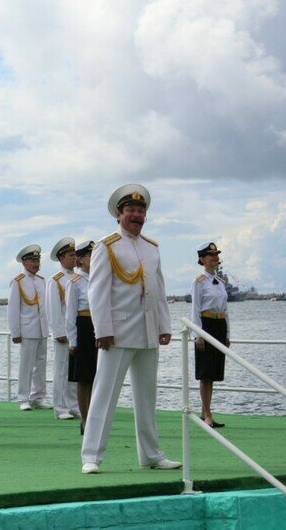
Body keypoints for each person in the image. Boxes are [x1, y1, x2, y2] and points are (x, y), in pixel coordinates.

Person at [81, 183, 181, 474]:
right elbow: (97, 292)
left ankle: (151, 454)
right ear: (119, 214)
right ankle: (91, 456)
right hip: (118, 333)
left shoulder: (151, 248)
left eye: (141, 211)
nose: (136, 215)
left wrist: (164, 325)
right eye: (130, 210)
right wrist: (102, 330)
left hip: (148, 330)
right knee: (105, 394)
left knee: (147, 396)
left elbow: (158, 290)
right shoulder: (107, 246)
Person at [191, 242, 230, 428]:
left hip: (219, 325)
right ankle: (207, 413)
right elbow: (195, 309)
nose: (215, 257)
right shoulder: (198, 282)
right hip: (205, 326)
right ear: (202, 259)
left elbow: (226, 310)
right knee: (205, 373)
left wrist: (228, 333)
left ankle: (206, 411)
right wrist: (197, 334)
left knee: (213, 372)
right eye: (210, 254)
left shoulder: (221, 283)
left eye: (216, 254)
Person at [7, 244, 50, 411]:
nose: (36, 264)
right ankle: (23, 397)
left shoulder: (41, 281)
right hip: (27, 330)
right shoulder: (18, 281)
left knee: (41, 363)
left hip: (41, 329)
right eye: (32, 260)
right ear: (24, 262)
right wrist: (15, 332)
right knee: (26, 364)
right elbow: (13, 309)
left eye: (37, 260)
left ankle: (38, 396)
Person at [64, 240, 96, 434]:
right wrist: (72, 340)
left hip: (98, 328)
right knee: (84, 378)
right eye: (91, 256)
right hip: (83, 328)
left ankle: (94, 417)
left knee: (97, 377)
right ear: (81, 259)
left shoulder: (101, 278)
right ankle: (85, 420)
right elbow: (70, 313)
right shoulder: (75, 282)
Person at [46, 237, 80, 420]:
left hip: (76, 332)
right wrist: (59, 332)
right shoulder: (56, 280)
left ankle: (74, 405)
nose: (74, 258)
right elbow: (53, 309)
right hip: (63, 334)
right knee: (61, 371)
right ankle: (60, 408)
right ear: (61, 258)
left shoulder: (78, 278)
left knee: (74, 372)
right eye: (70, 255)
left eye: (75, 255)